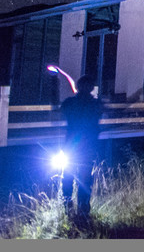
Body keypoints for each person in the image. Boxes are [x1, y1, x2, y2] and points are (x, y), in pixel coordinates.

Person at [59, 74, 103, 215]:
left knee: (68, 177)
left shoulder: (70, 103)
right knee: (84, 179)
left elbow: (61, 111)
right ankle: (83, 209)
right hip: (87, 146)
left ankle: (68, 207)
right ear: (91, 88)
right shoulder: (96, 104)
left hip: (72, 146)